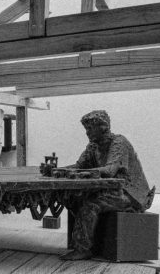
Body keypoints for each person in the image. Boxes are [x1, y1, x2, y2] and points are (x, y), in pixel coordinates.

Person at [61, 110, 155, 260]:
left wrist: (83, 173)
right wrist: (59, 170)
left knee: (90, 204)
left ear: (103, 127)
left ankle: (83, 249)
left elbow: (110, 170)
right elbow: (78, 166)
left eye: (90, 129)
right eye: (86, 129)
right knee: (73, 199)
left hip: (129, 194)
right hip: (112, 190)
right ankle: (89, 241)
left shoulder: (119, 142)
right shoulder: (93, 146)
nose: (87, 133)